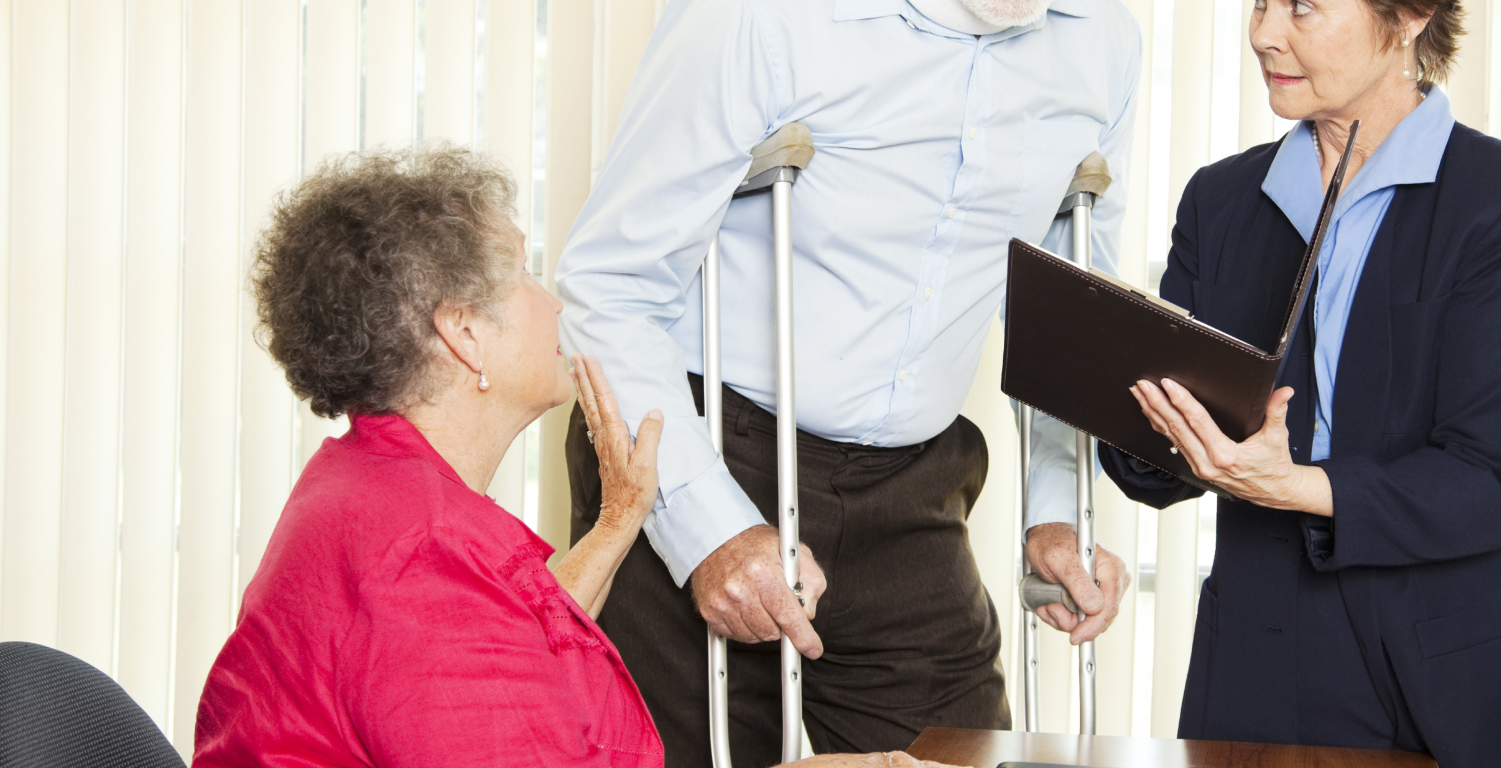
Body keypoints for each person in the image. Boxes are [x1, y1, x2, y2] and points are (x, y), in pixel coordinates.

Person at [556, 0, 1138, 768]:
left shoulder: (1098, 47)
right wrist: (704, 531)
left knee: (957, 753)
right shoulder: (756, 14)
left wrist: (1055, 512)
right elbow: (608, 287)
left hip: (913, 484)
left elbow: (1070, 311)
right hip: (706, 443)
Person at [1104, 0, 1501, 765]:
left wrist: (1298, 486)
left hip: (1458, 663)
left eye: (1301, 3)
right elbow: (1151, 463)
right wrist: (1130, 401)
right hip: (1259, 658)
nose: (1263, 32)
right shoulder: (1223, 201)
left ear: (1409, 11)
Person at [194, 147, 952, 768]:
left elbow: (512, 644)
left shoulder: (374, 484)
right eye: (522, 274)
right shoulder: (420, 553)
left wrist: (621, 518)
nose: (552, 302)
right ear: (464, 333)